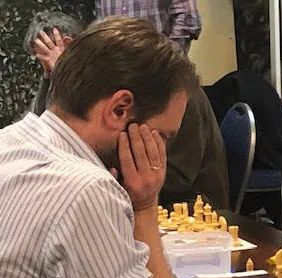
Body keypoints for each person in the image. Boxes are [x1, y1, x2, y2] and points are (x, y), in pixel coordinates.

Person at [0, 16, 200, 278]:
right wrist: (145, 205)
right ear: (120, 109)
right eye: (161, 136)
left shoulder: (11, 142)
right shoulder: (85, 190)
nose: (161, 153)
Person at [24, 10, 229, 209]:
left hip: (190, 209)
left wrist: (117, 187)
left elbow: (175, 179)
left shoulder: (174, 94)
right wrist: (55, 78)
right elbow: (46, 131)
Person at [23, 11, 85, 116]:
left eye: (46, 54)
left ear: (67, 43)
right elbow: (40, 117)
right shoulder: (55, 74)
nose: (44, 62)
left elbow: (80, 114)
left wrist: (61, 69)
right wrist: (47, 77)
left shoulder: (98, 69)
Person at [95, 0, 202, 53]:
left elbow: (189, 19)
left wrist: (169, 57)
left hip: (160, 69)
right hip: (117, 69)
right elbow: (101, 25)